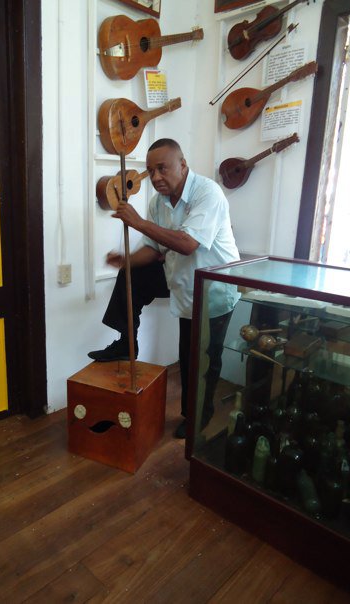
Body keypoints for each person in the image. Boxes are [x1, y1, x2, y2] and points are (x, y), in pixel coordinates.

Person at [88, 138, 240, 438]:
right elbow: (155, 248)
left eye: (162, 168)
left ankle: (197, 416)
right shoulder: (159, 202)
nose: (156, 177)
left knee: (198, 359)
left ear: (182, 165)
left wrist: (138, 222)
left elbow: (187, 243)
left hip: (213, 287)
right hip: (181, 277)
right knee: (131, 274)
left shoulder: (207, 193)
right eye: (150, 171)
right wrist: (126, 261)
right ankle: (126, 342)